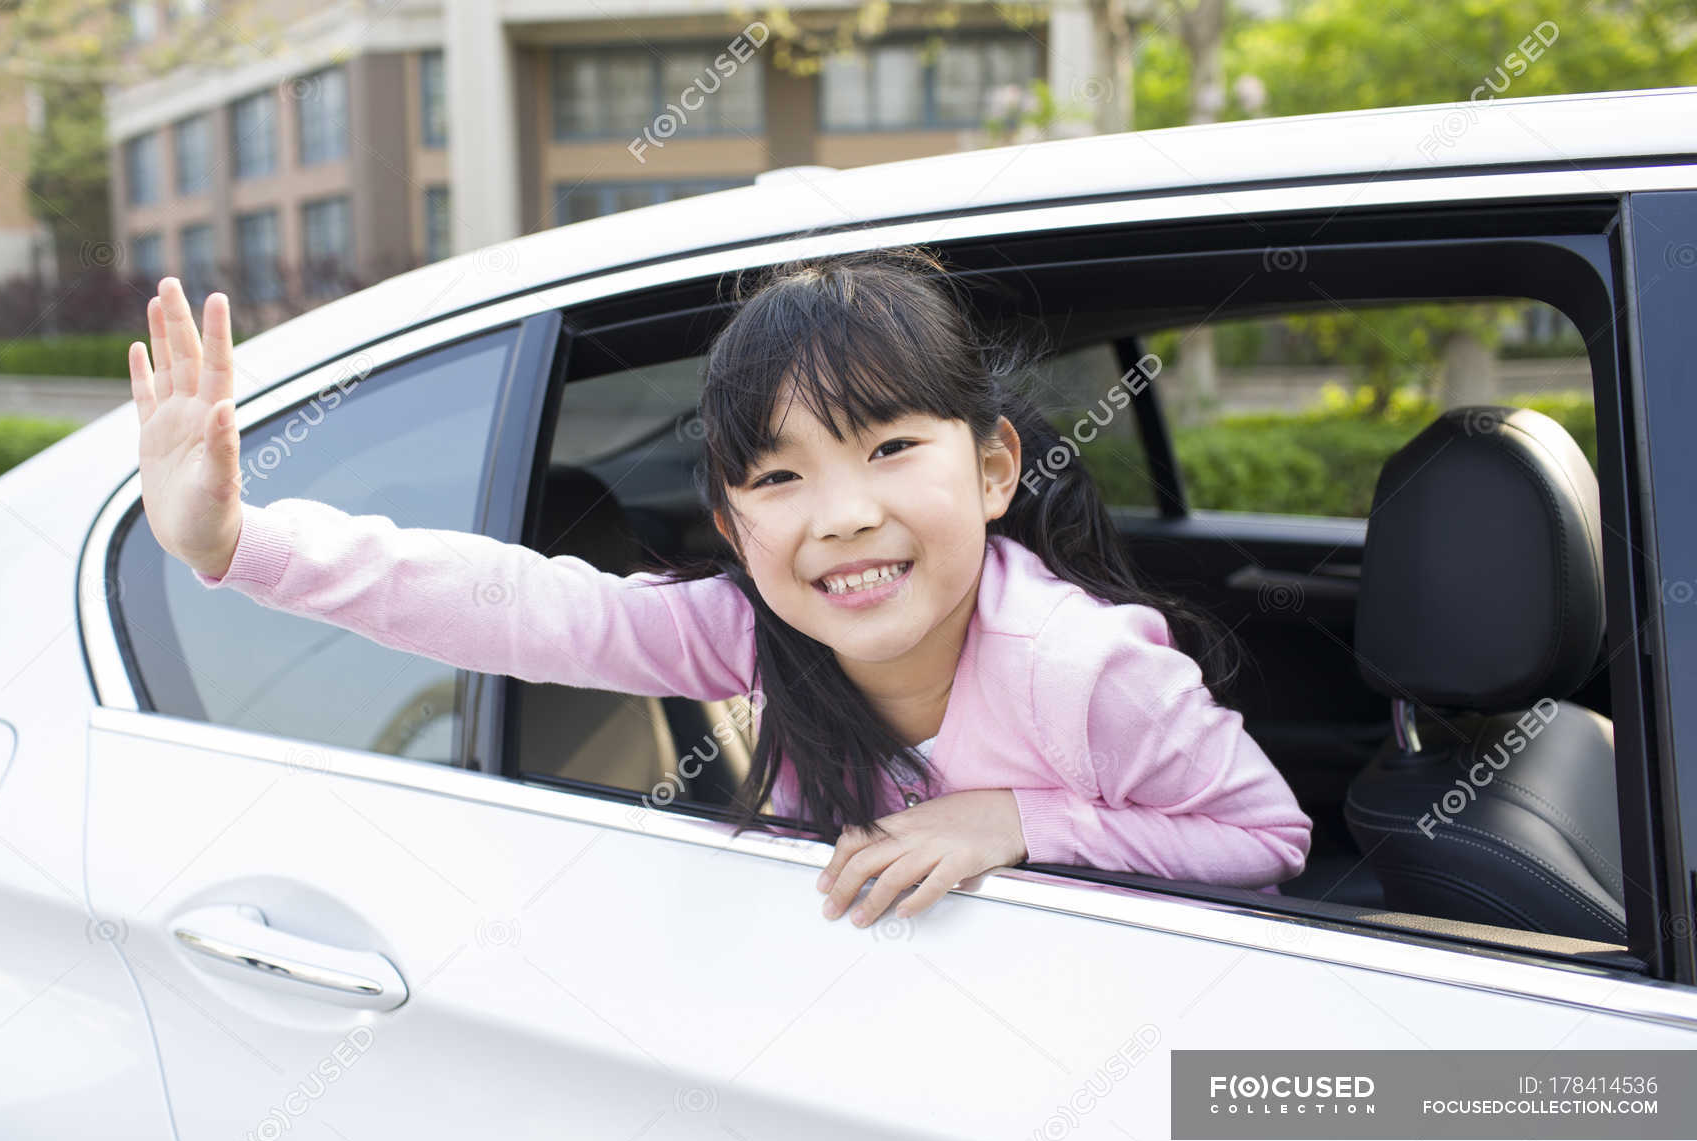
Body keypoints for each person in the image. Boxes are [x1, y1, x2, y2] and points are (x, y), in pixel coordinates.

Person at [128, 247, 1311, 930]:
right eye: (781, 476)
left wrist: (1017, 824)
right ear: (734, 530)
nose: (844, 512)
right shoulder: (747, 631)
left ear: (995, 466)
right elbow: (517, 603)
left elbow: (1268, 837)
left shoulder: (1087, 670)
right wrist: (234, 541)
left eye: (892, 449)